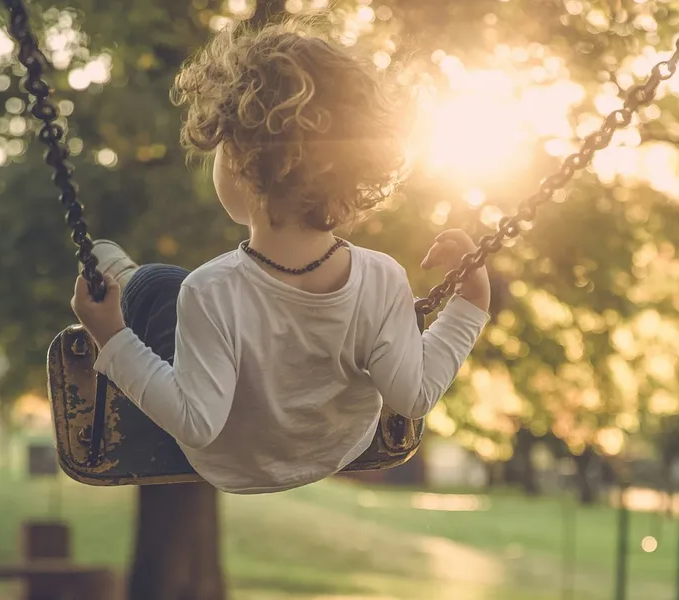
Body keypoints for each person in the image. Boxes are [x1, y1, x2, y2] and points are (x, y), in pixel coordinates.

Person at [69, 16, 491, 494]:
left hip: (232, 462)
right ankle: (128, 279)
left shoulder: (208, 291)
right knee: (177, 293)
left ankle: (125, 279)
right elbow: (413, 396)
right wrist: (469, 308)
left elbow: (196, 424)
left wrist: (112, 338)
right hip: (336, 449)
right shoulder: (383, 279)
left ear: (243, 163)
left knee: (156, 285)